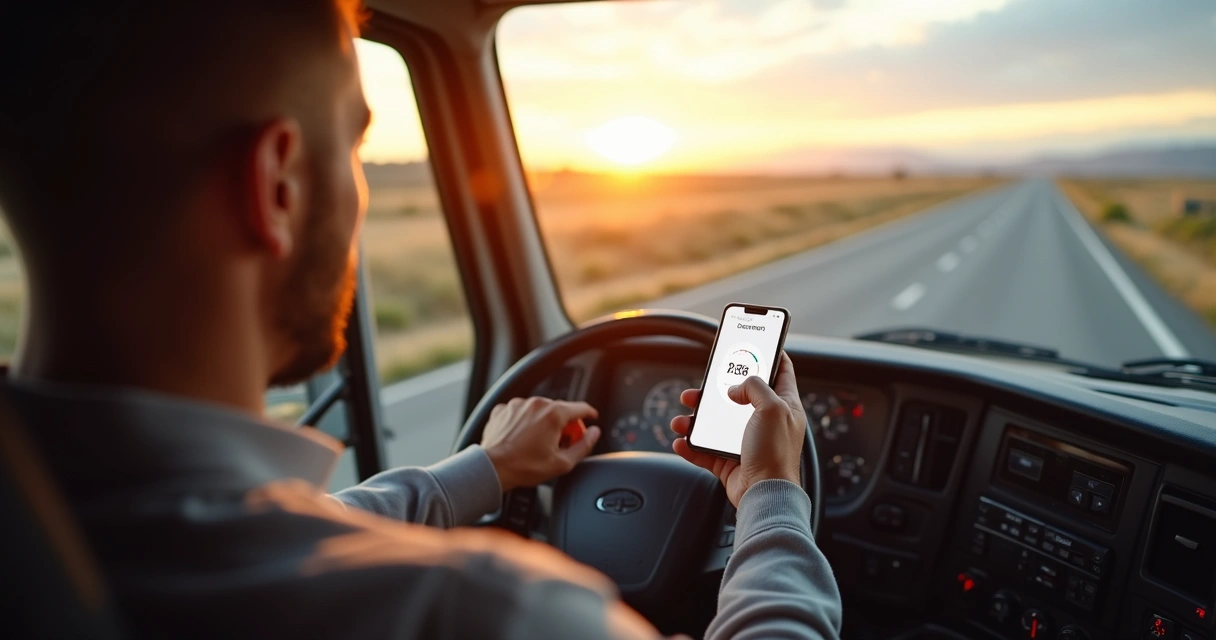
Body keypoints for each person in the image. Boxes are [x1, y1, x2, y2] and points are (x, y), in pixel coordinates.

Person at [0, 1, 843, 638]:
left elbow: (298, 528)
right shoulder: (472, 611)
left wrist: (482, 469)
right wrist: (770, 494)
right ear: (278, 185)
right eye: (356, 148)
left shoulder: (54, 529)